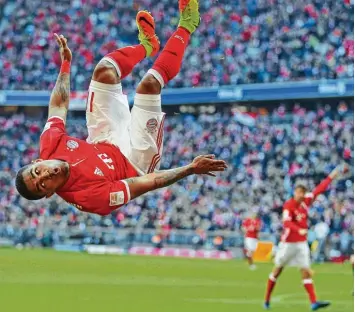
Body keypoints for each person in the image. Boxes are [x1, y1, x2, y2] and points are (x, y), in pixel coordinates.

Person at [15, 0, 227, 216]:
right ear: (50, 194)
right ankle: (188, 24)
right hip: (135, 160)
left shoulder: (50, 145)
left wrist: (66, 65)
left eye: (37, 172)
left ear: (38, 162)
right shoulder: (88, 198)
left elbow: (59, 105)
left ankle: (148, 46)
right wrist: (190, 169)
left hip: (102, 139)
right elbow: (146, 182)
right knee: (148, 85)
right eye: (42, 185)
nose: (45, 176)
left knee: (104, 69)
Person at [263, 165, 348, 311]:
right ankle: (266, 300)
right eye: (298, 192)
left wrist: (332, 175)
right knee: (277, 270)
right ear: (294, 193)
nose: (300, 195)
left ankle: (313, 302)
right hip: (288, 243)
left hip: (301, 244)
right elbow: (286, 222)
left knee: (305, 271)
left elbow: (320, 189)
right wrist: (299, 229)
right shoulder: (289, 205)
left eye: (302, 193)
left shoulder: (305, 201)